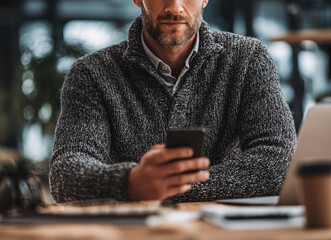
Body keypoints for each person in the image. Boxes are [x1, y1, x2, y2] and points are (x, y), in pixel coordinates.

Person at [50, 0, 296, 203]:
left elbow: (280, 161)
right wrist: (130, 182)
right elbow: (65, 174)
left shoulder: (248, 58)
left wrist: (165, 189)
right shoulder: (92, 74)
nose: (175, 8)